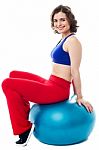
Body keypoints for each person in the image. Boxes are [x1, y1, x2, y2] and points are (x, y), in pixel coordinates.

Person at [1, 5, 93, 146]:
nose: (59, 24)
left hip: (58, 90)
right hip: (51, 82)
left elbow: (75, 71)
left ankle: (24, 130)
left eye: (62, 20)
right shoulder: (63, 39)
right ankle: (25, 115)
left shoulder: (73, 41)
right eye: (55, 21)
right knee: (13, 74)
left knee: (7, 83)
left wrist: (79, 96)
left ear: (70, 21)